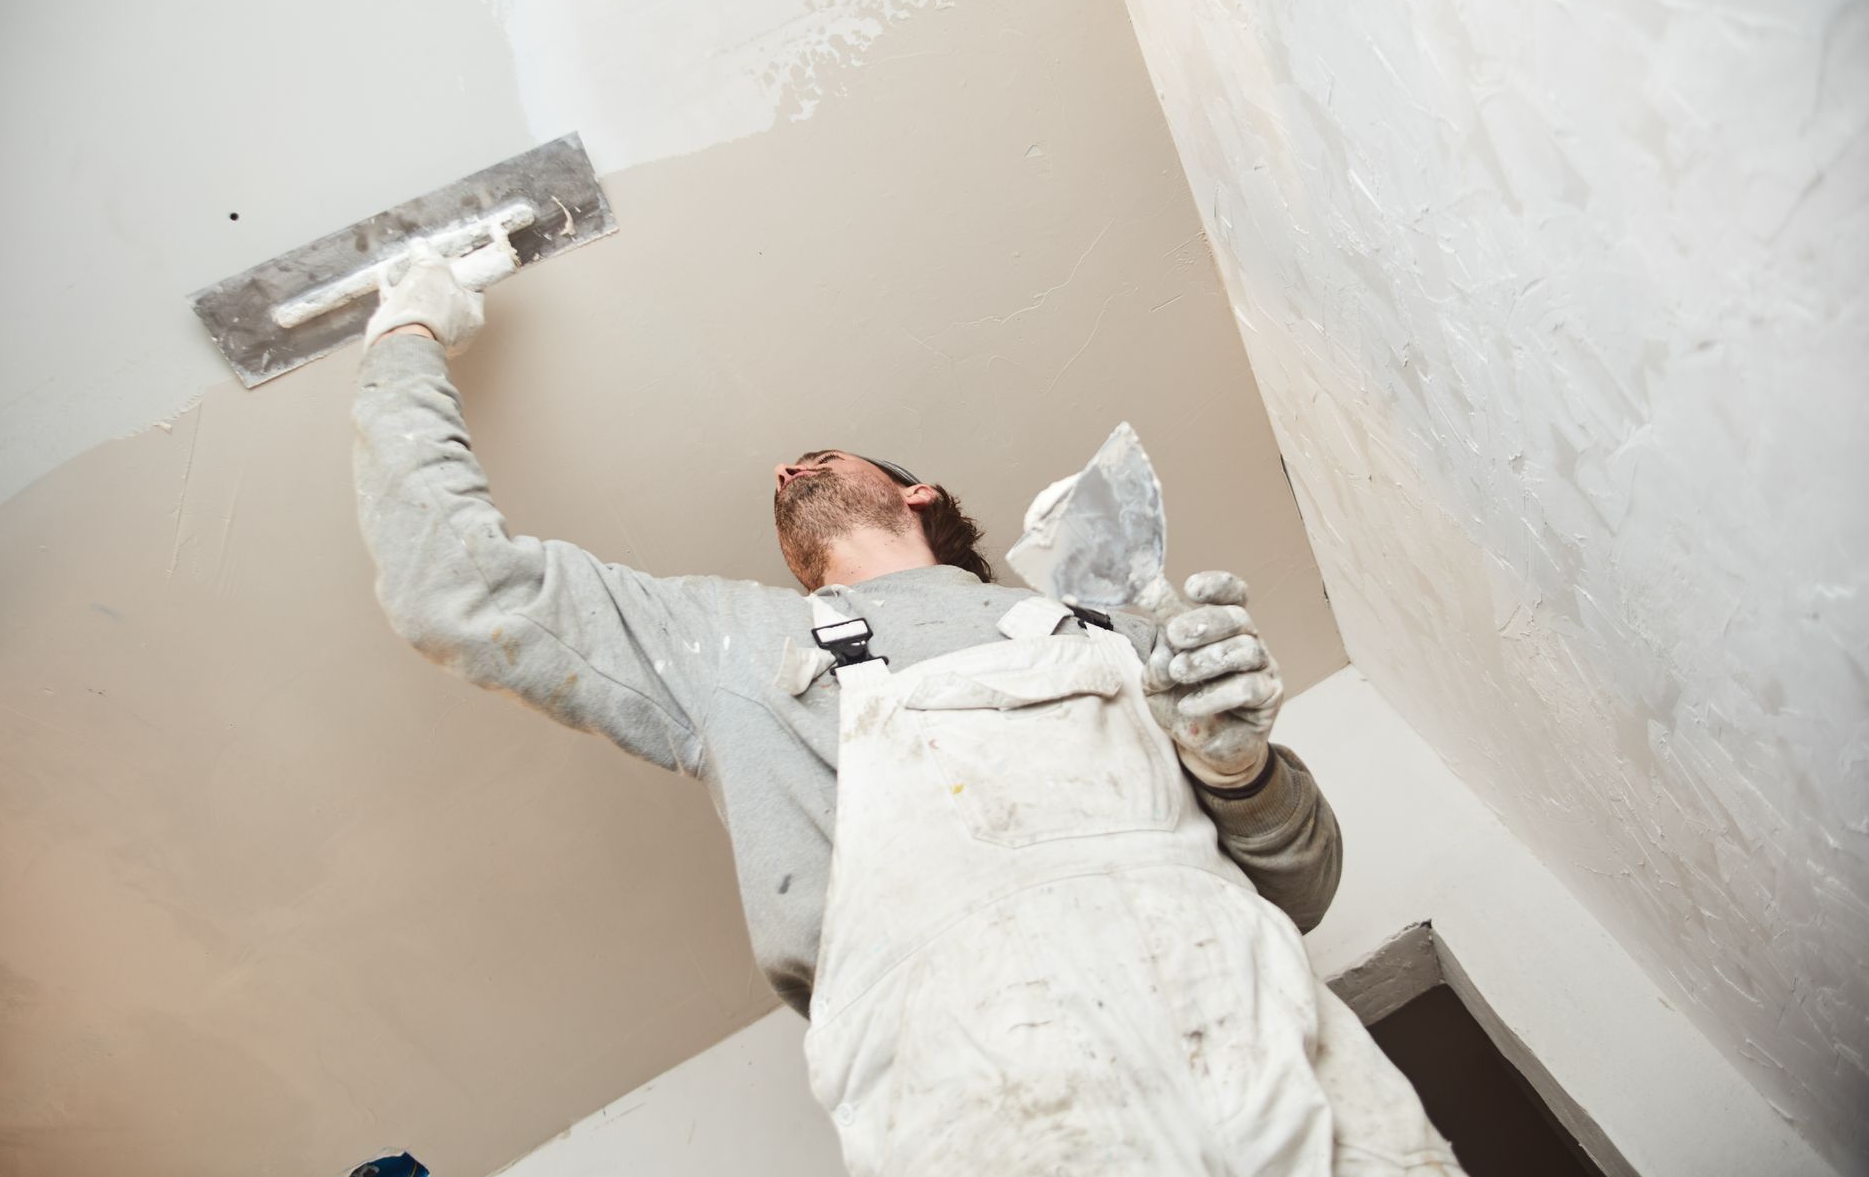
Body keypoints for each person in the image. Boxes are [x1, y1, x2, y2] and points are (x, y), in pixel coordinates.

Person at [352, 245, 1463, 1176]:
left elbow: (1301, 889)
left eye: (818, 453)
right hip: (985, 1096)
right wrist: (406, 334)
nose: (786, 463)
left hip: (1262, 1034)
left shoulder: (1104, 626)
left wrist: (1241, 769)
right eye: (779, 473)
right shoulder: (725, 645)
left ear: (919, 491)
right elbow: (455, 586)